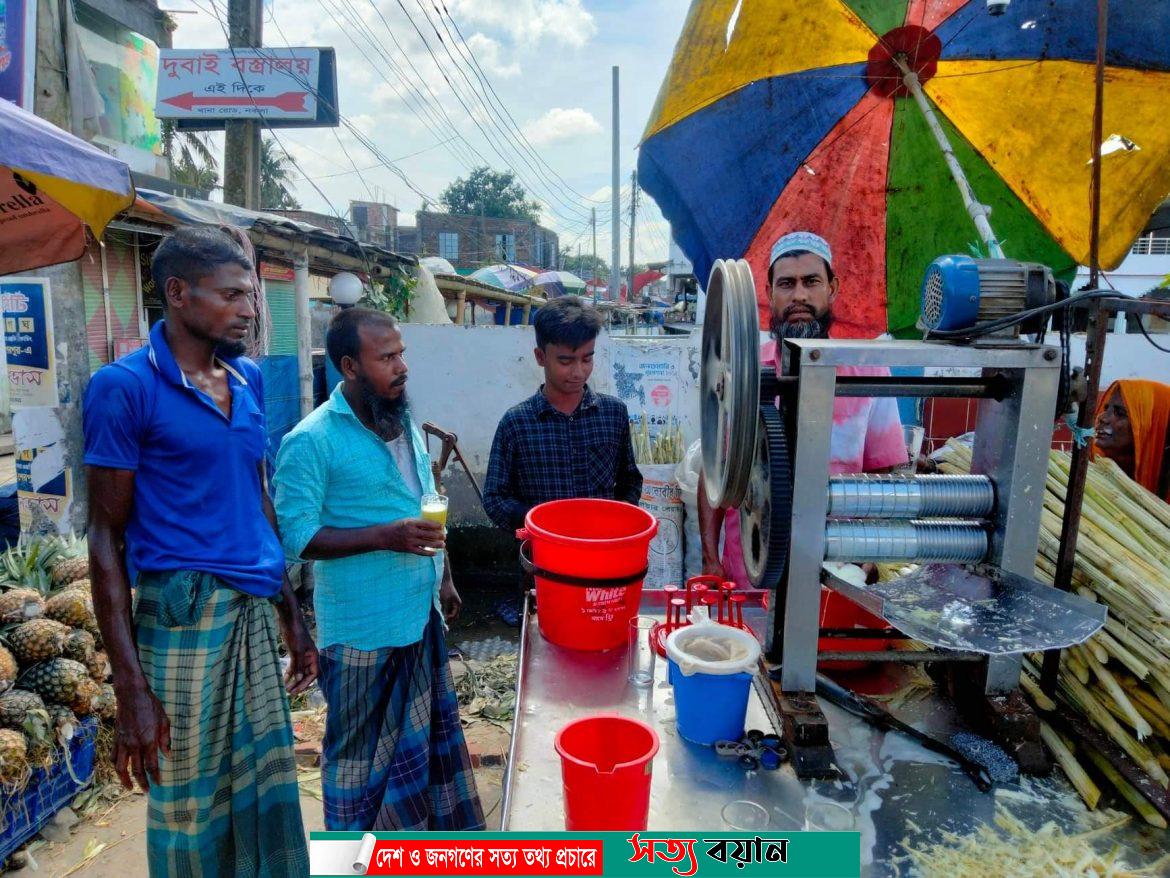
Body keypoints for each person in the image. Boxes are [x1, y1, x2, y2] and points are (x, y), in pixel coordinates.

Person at [84, 226, 316, 877]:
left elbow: (256, 496)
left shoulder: (244, 378)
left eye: (252, 295)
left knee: (263, 789)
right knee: (190, 803)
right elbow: (105, 535)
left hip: (250, 611)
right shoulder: (123, 387)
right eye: (234, 294)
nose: (249, 309)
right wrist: (129, 687)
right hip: (183, 616)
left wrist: (292, 616)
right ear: (179, 293)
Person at [273, 307, 484, 832]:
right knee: (357, 764)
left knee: (425, 752)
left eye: (401, 353)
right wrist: (385, 537)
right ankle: (352, 857)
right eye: (386, 357)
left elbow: (425, 498)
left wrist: (446, 573)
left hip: (420, 615)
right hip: (363, 634)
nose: (401, 366)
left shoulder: (401, 417)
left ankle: (420, 856)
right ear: (349, 365)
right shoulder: (311, 441)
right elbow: (295, 538)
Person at [700, 231, 908, 587]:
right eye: (786, 283)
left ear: (832, 287)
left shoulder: (869, 373)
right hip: (752, 572)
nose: (799, 295)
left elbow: (888, 473)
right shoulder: (741, 376)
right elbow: (714, 474)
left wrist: (878, 551)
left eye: (811, 281)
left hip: (836, 572)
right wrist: (710, 558)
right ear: (769, 294)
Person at [483, 295, 642, 531]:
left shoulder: (613, 414)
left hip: (603, 553)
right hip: (544, 556)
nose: (578, 372)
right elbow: (495, 499)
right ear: (540, 357)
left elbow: (630, 480)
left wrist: (613, 520)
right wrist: (543, 522)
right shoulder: (517, 423)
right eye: (566, 361)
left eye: (587, 359)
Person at [1094, 378, 1170, 501]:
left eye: (1119, 413)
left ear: (1149, 425)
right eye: (1106, 408)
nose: (1102, 418)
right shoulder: (1090, 474)